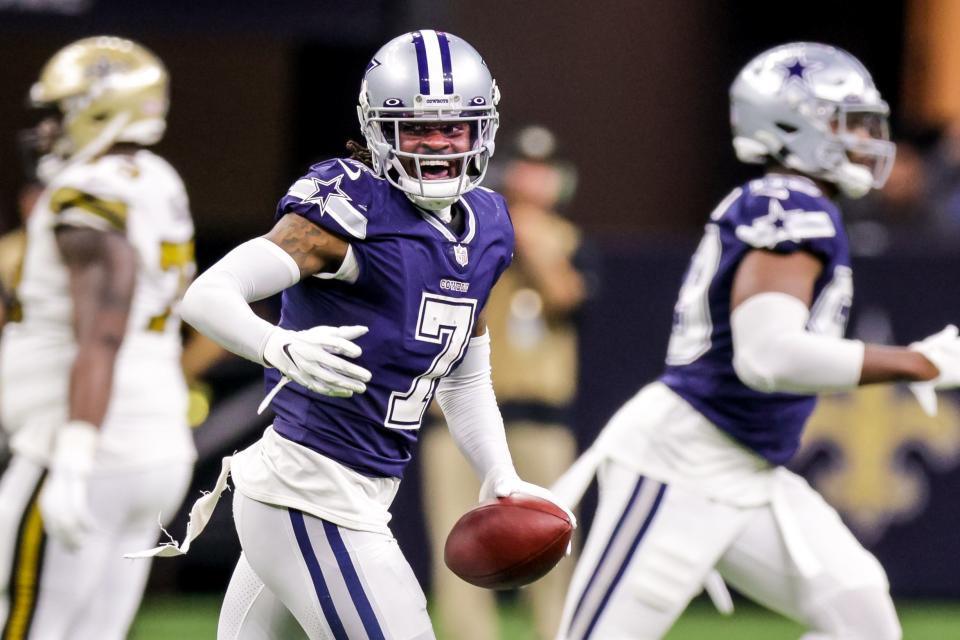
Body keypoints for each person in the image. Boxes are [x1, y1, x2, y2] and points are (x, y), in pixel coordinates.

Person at [171, 30, 573, 640]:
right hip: (308, 492)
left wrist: (499, 471)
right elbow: (207, 295)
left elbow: (464, 372)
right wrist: (275, 343)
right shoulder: (351, 206)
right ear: (379, 132)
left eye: (452, 128)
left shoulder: (489, 223)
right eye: (415, 129)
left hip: (354, 493)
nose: (436, 145)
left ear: (482, 130)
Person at [551, 42, 960, 640]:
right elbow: (769, 356)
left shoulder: (801, 205)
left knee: (862, 616)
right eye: (846, 123)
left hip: (750, 466)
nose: (865, 138)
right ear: (793, 125)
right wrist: (919, 363)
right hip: (682, 463)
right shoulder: (788, 205)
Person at [0, 36, 197, 639]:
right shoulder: (157, 178)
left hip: (84, 443)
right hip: (158, 446)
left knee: (23, 624)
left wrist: (76, 455)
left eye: (60, 111)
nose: (49, 127)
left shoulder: (88, 192)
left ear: (99, 107)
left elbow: (103, 332)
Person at [421, 125, 586, 640]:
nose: (535, 179)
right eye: (525, 167)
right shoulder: (463, 232)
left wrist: (529, 238)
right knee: (462, 552)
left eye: (544, 170)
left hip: (539, 418)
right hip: (457, 419)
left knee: (554, 548)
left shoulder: (572, 243)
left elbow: (567, 298)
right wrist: (500, 230)